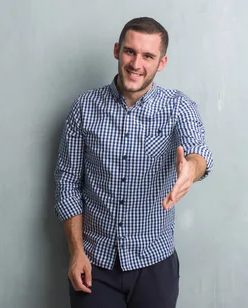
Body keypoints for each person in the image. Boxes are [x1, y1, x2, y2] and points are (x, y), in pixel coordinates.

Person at [53, 16, 214, 308]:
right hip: (94, 264)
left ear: (161, 63)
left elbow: (198, 152)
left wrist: (191, 168)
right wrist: (76, 252)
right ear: (117, 50)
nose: (136, 64)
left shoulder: (178, 107)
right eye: (130, 51)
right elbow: (67, 181)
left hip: (155, 264)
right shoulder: (83, 108)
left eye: (148, 56)